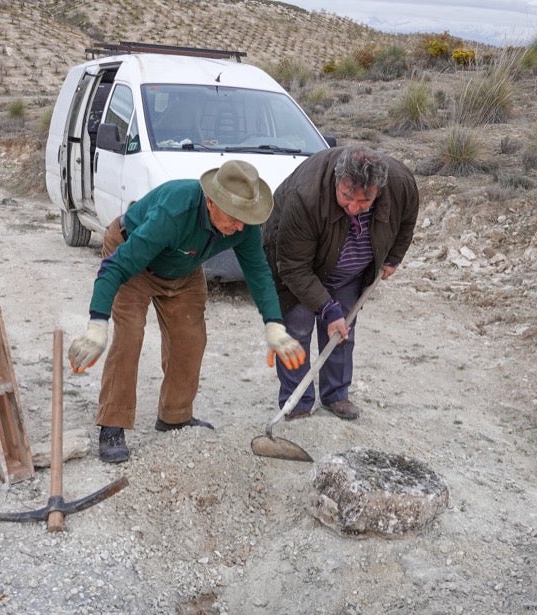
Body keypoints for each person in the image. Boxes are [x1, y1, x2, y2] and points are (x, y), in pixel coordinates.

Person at [68, 160, 306, 463]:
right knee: (129, 336)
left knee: (190, 339)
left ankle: (175, 416)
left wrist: (274, 325)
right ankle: (113, 424)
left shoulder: (243, 224)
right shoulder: (175, 213)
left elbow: (258, 273)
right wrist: (96, 325)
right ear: (211, 202)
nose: (240, 227)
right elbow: (115, 267)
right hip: (134, 260)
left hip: (184, 268)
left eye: (246, 219)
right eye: (234, 218)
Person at [263, 145, 419, 421]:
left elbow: (406, 220)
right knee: (297, 330)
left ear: (378, 190)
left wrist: (393, 257)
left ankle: (336, 395)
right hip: (297, 266)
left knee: (341, 333)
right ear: (337, 178)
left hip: (350, 271)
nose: (352, 207)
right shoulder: (305, 195)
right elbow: (294, 267)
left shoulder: (400, 184)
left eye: (364, 202)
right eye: (346, 196)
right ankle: (296, 401)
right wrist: (326, 308)